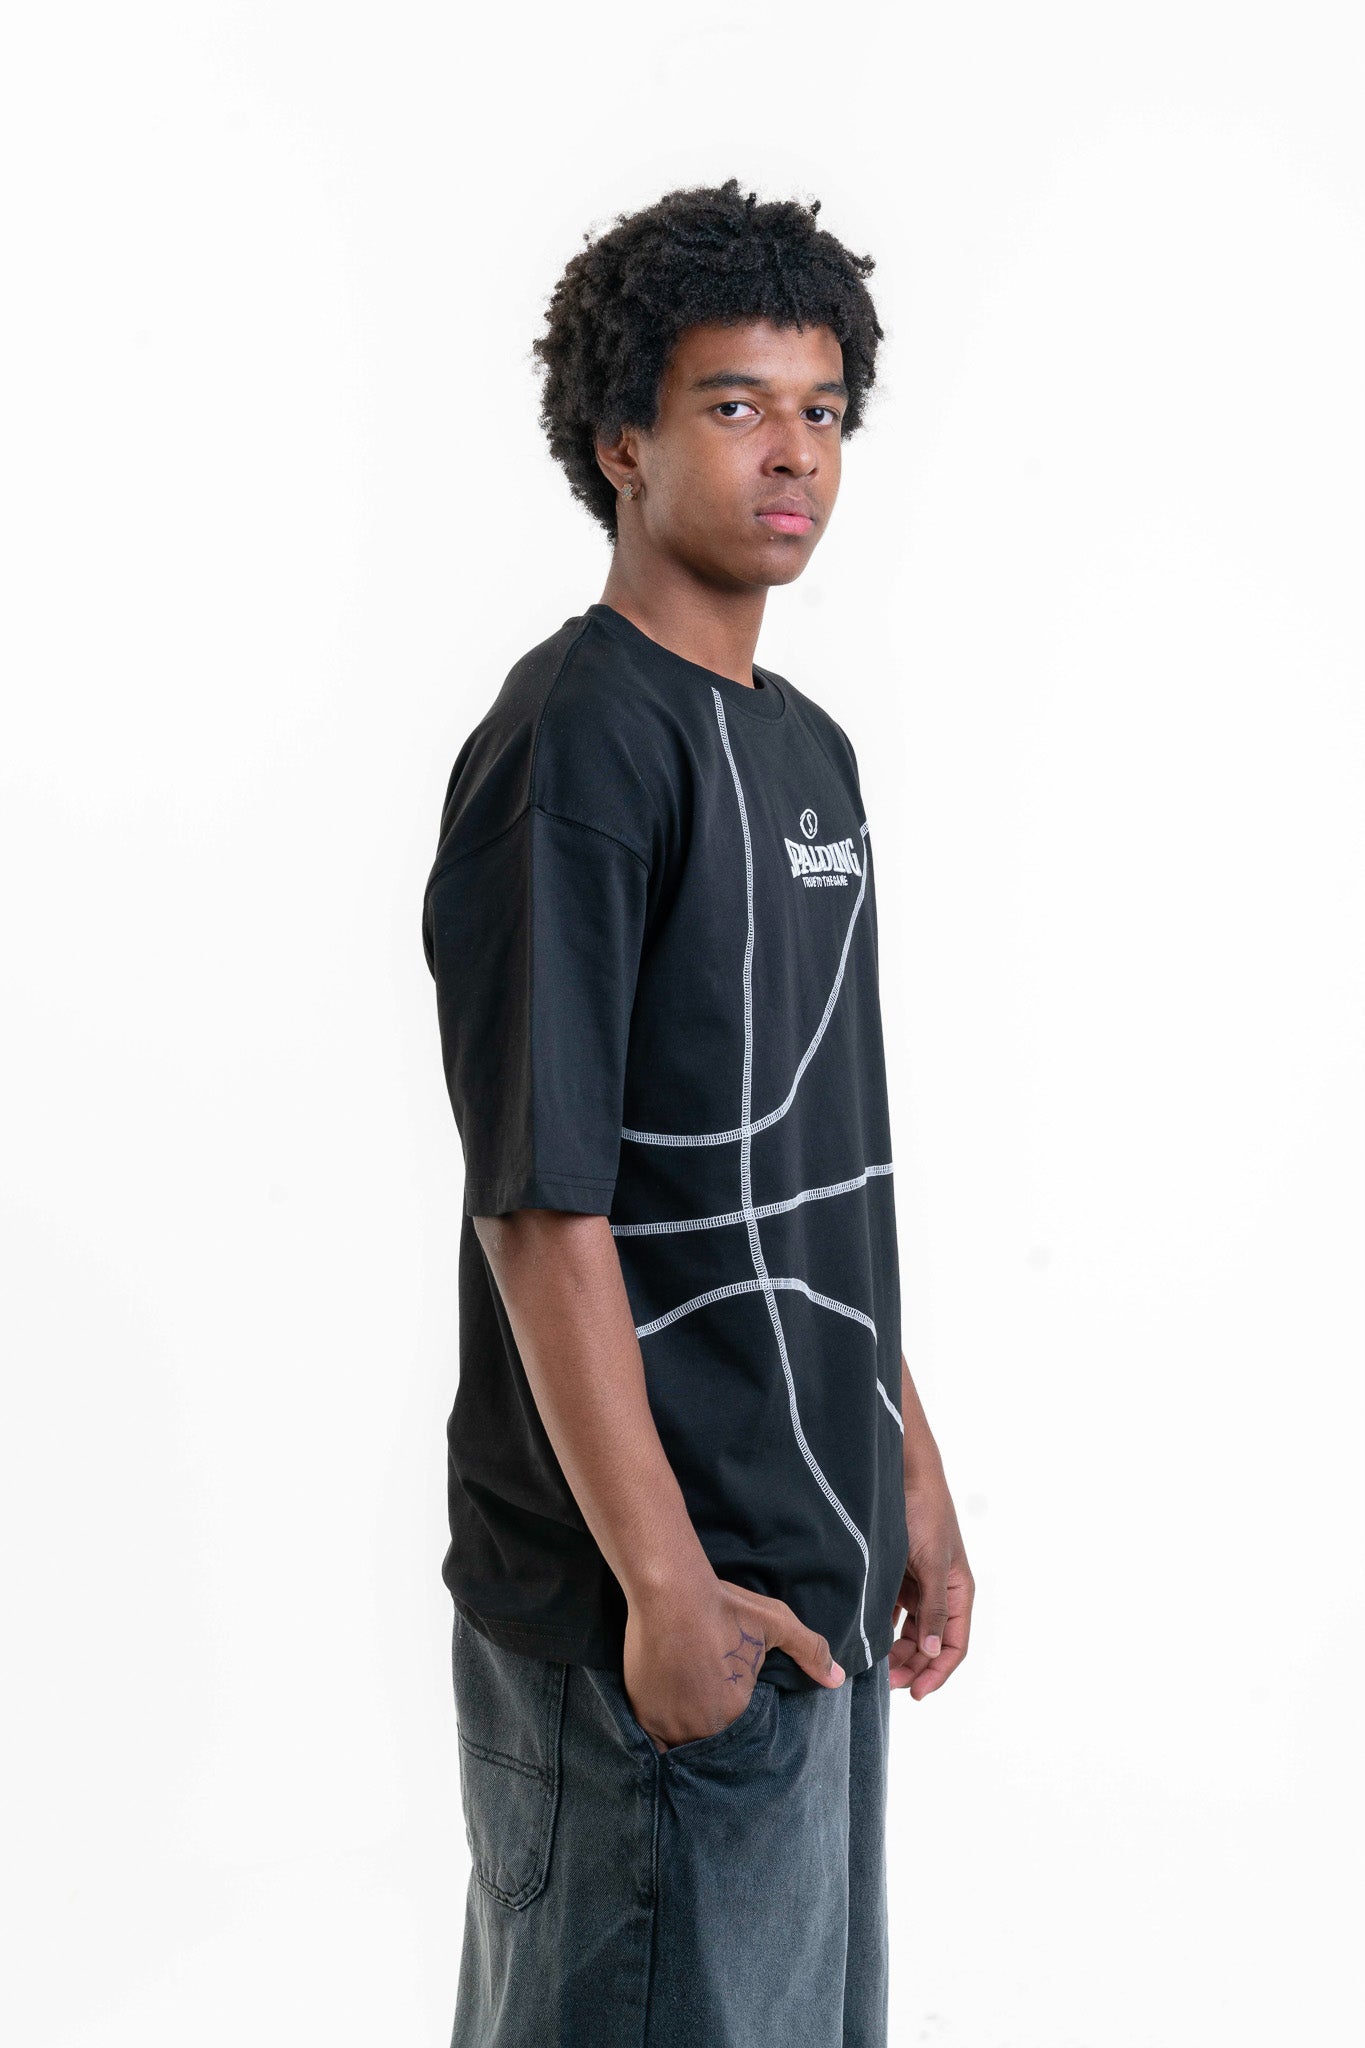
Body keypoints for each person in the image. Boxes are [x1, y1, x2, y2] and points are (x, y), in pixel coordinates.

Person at [421, 178, 975, 2048]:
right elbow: (540, 1200)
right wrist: (662, 1586)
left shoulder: (804, 750)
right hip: (652, 1613)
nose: (793, 454)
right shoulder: (575, 741)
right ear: (621, 442)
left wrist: (907, 1471)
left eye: (822, 410)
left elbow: (808, 1166)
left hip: (807, 1587)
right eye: (735, 406)